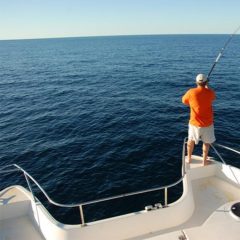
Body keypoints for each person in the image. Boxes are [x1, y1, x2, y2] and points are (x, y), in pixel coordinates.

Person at [182, 73, 216, 166]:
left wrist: (193, 103)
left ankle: (189, 158)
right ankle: (204, 161)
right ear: (206, 82)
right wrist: (207, 87)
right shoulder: (210, 92)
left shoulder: (191, 92)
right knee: (206, 143)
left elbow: (184, 101)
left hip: (194, 124)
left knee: (190, 140)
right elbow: (213, 98)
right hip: (208, 124)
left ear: (196, 82)